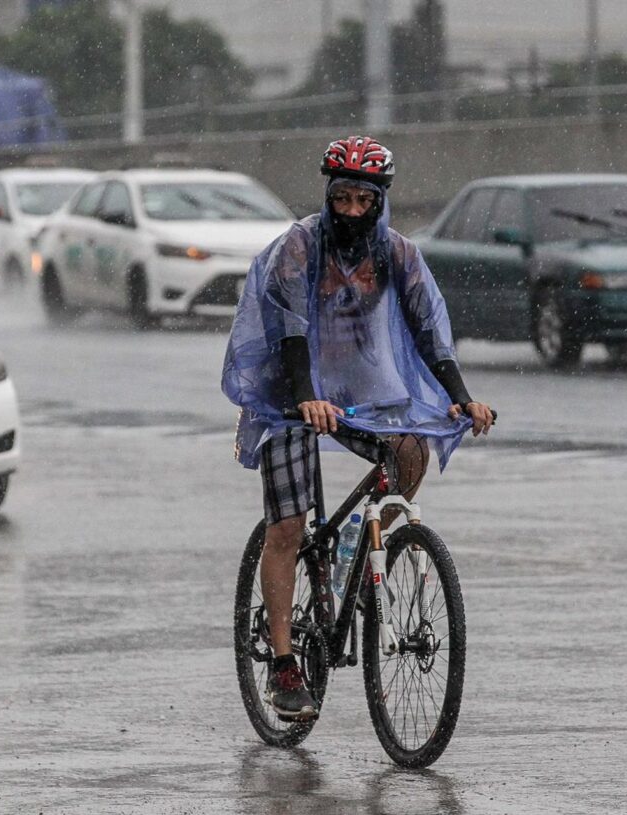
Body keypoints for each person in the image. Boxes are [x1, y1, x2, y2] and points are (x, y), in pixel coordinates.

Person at [222, 135, 494, 721]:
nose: (349, 212)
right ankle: (285, 664)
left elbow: (428, 331)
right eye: (340, 198)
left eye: (361, 201)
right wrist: (304, 399)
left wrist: (463, 399)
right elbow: (291, 330)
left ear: (378, 201)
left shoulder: (397, 254)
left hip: (357, 395)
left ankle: (355, 544)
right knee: (288, 527)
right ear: (328, 194)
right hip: (287, 394)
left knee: (411, 451)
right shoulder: (299, 248)